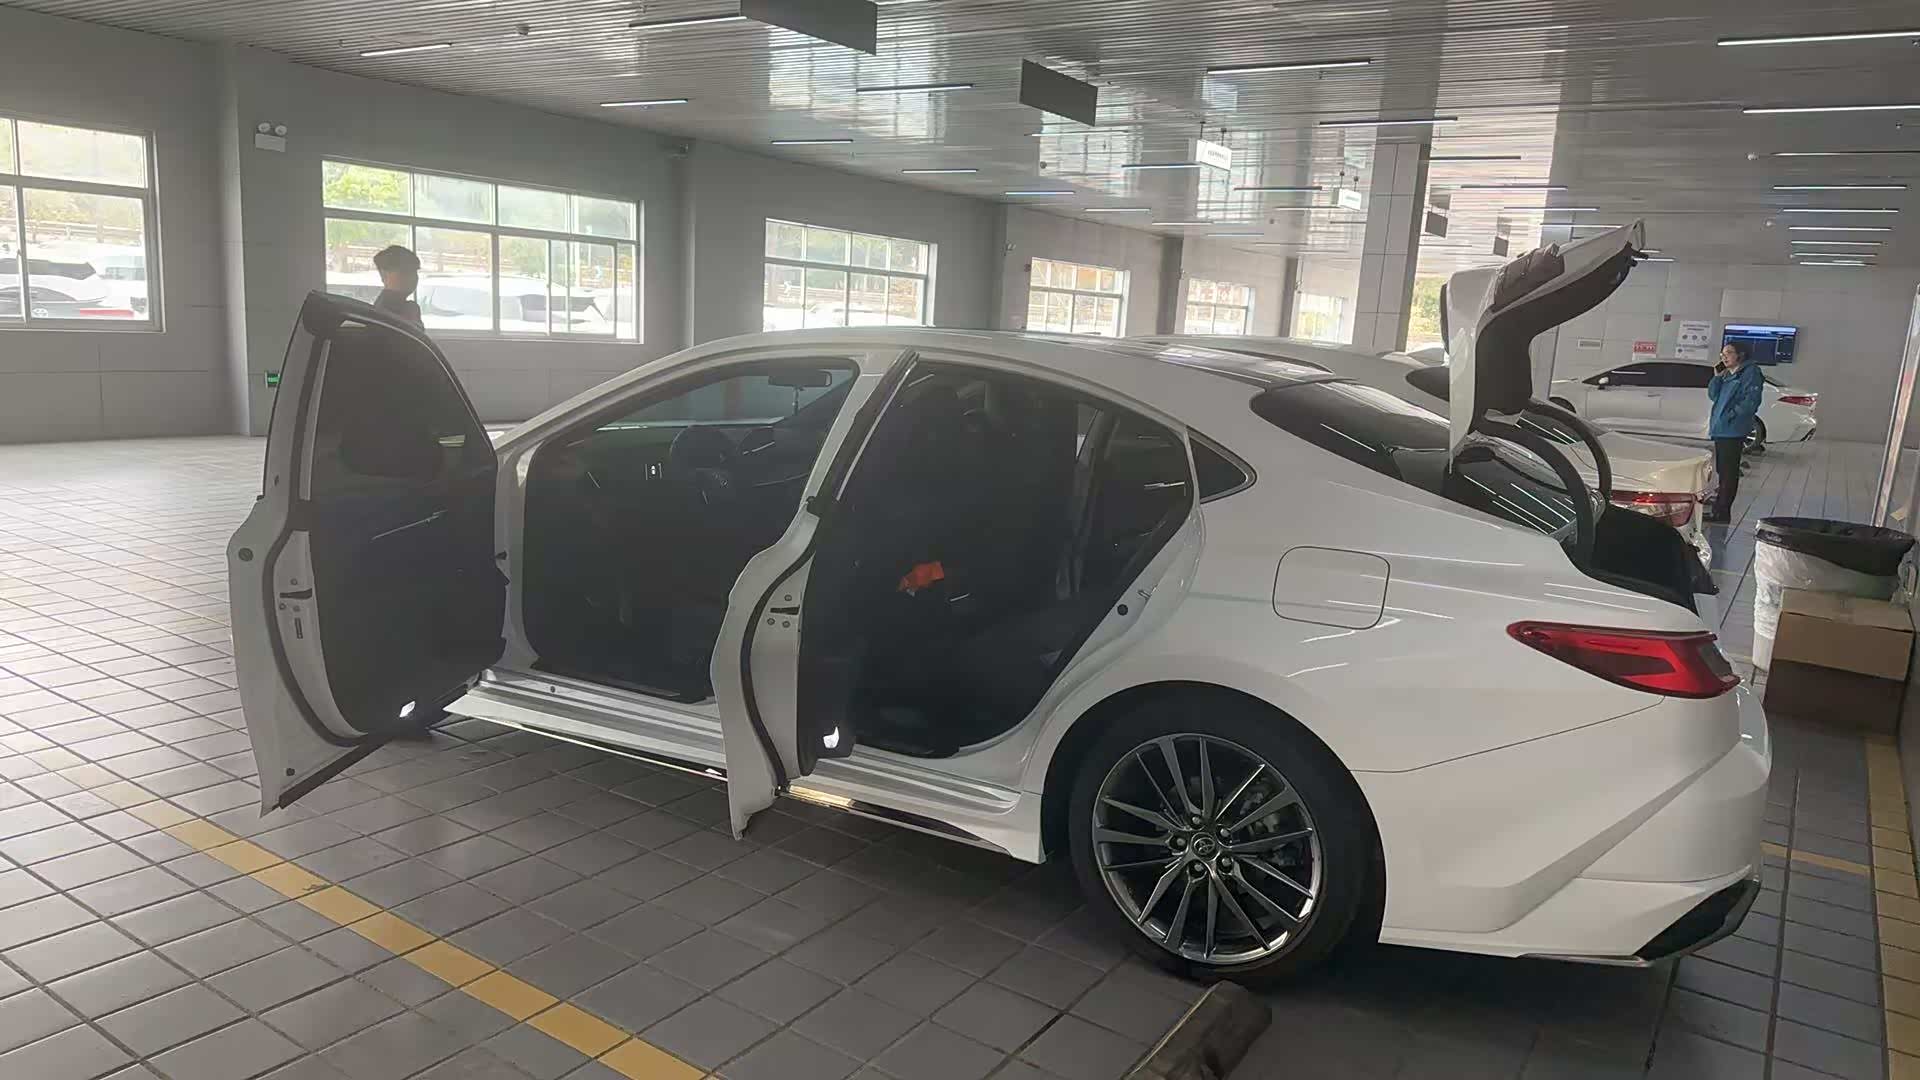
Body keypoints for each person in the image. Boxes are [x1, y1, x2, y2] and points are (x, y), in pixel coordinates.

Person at [1706, 341, 1764, 524]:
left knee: (1729, 472)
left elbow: (1751, 401)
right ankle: (1718, 508)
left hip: (1733, 429)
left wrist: (1731, 415)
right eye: (1722, 353)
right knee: (1722, 471)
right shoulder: (1727, 374)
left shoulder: (1750, 372)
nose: (1724, 357)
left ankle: (1722, 512)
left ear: (1741, 355)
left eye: (1729, 353)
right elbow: (1713, 395)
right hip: (1722, 429)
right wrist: (1717, 377)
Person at [371, 245, 423, 327]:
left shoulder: (409, 307)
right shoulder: (385, 311)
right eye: (404, 272)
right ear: (384, 275)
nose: (412, 277)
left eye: (414, 271)